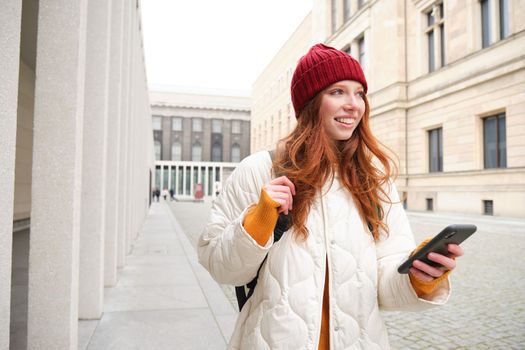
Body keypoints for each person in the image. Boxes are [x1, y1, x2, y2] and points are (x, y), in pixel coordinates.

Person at [198, 43, 463, 349]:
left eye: (359, 93)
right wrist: (259, 221)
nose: (354, 104)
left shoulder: (374, 178)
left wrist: (418, 277)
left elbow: (384, 286)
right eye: (337, 92)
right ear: (311, 103)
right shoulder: (260, 169)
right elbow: (223, 267)